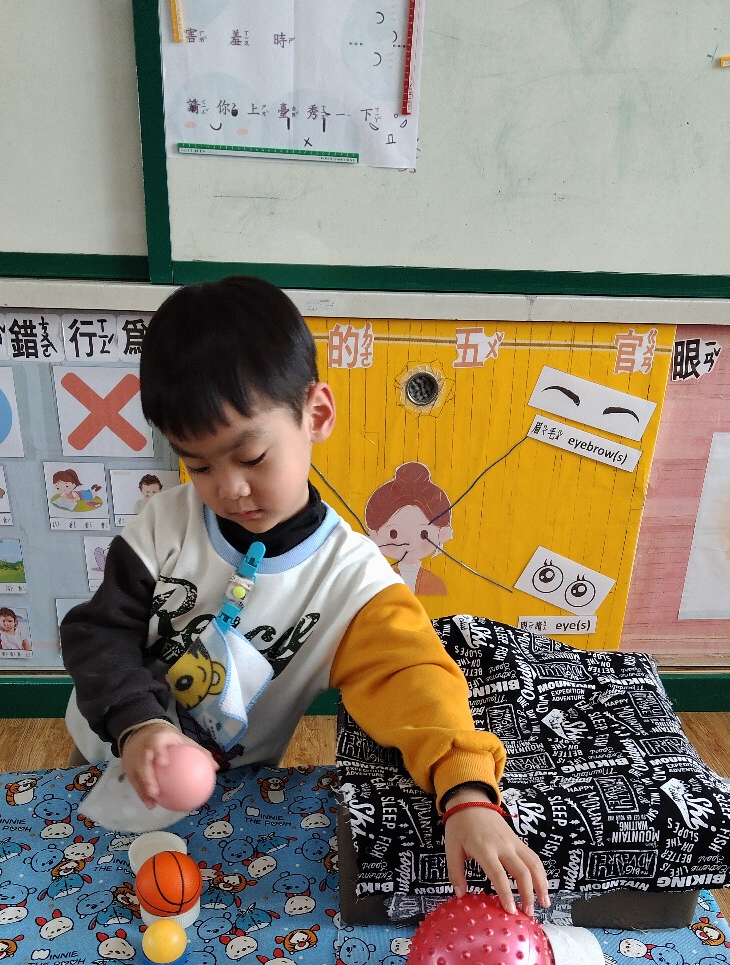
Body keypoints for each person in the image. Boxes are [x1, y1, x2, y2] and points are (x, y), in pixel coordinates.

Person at [61, 277, 547, 915]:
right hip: (106, 736)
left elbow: (416, 682)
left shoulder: (352, 582)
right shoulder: (163, 527)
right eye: (199, 466)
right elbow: (99, 633)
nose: (229, 489)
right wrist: (137, 724)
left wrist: (467, 796)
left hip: (232, 786)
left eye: (252, 457)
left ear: (315, 415)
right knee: (80, 885)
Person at [364, 461, 453, 595]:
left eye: (424, 534)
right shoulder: (381, 583)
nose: (410, 543)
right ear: (374, 535)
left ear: (442, 533)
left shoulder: (435, 584)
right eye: (393, 533)